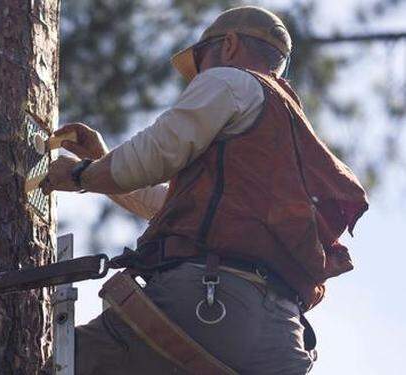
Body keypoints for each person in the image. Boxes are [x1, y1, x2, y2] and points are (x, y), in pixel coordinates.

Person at [40, 6, 368, 374]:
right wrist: (101, 163)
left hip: (209, 303)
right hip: (284, 341)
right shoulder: (285, 140)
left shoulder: (232, 80)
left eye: (201, 62)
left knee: (59, 363)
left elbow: (155, 153)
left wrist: (83, 174)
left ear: (228, 45)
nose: (198, 77)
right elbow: (176, 205)